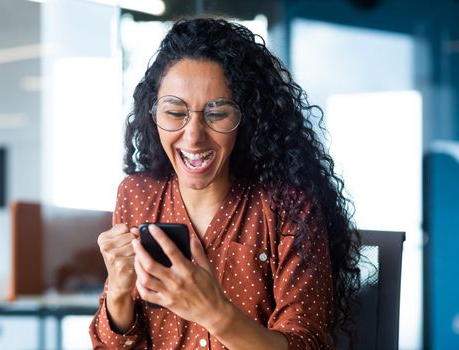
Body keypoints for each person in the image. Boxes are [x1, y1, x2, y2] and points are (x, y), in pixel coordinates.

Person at [90, 17, 360, 349]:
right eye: (175, 113)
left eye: (217, 114)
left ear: (247, 119)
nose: (193, 136)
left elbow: (307, 343)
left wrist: (214, 314)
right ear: (153, 114)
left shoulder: (286, 207)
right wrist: (118, 291)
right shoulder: (136, 195)